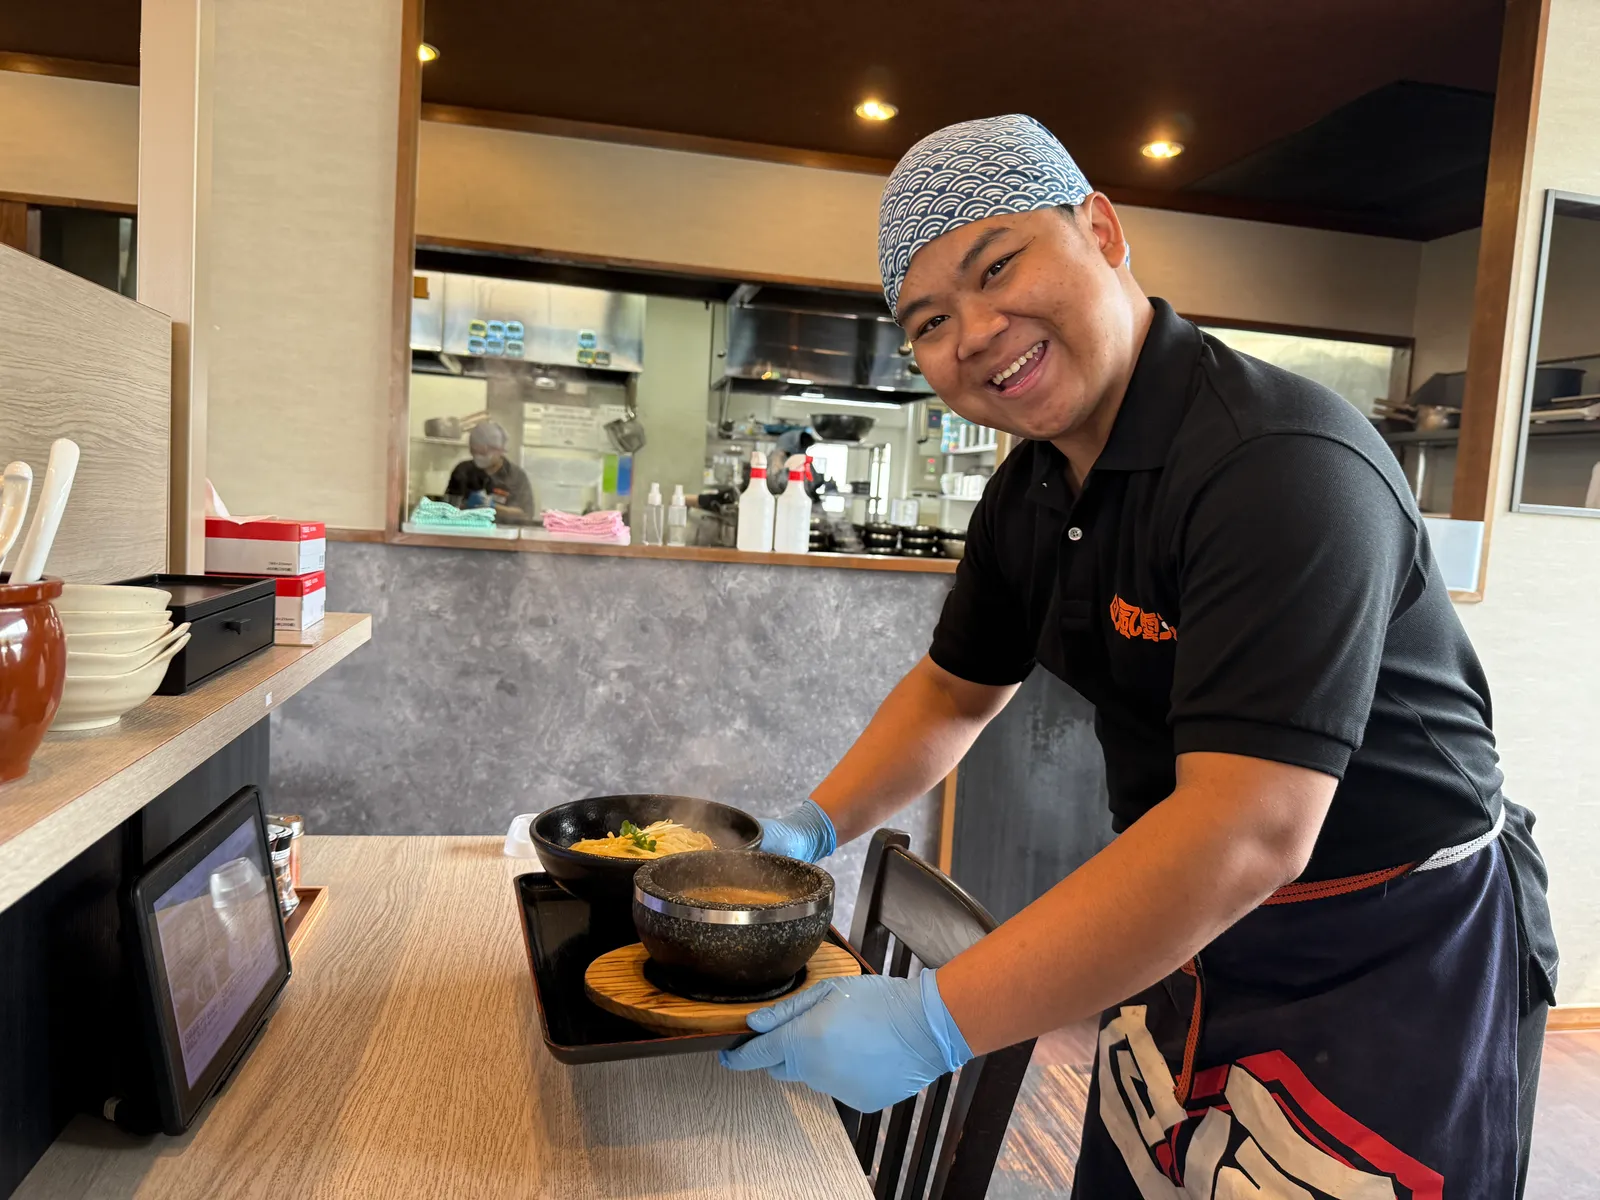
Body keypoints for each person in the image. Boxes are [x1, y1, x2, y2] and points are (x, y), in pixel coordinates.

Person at [721, 115, 1557, 1197]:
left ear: (1103, 231)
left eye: (997, 266)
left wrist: (934, 1023)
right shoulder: (1031, 489)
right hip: (1184, 919)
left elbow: (1250, 828)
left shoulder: (1276, 464)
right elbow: (954, 691)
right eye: (928, 321)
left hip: (1390, 944)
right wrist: (808, 829)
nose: (974, 332)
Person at [445, 421, 534, 525]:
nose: (478, 456)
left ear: (500, 450)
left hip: (502, 532)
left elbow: (526, 514)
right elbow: (446, 507)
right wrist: (465, 506)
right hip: (465, 529)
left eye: (483, 452)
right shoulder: (462, 471)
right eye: (474, 451)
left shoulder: (516, 476)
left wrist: (493, 507)